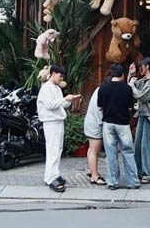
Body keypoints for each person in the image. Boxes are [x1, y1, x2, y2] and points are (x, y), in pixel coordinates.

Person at [37, 64, 81, 192]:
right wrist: (64, 100)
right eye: (60, 76)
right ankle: (52, 178)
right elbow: (50, 104)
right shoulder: (46, 88)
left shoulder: (56, 88)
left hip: (57, 120)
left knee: (57, 149)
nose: (61, 79)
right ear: (54, 73)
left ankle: (51, 175)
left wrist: (69, 100)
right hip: (51, 122)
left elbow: (60, 104)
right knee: (53, 149)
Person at [98, 63, 139, 190]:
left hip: (108, 123)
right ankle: (133, 181)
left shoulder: (103, 88)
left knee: (111, 153)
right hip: (123, 124)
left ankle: (112, 182)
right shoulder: (127, 89)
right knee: (128, 152)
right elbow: (130, 107)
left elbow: (100, 106)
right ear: (122, 75)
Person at [129, 57, 150, 184]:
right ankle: (140, 172)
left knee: (146, 146)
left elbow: (141, 96)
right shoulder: (144, 80)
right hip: (142, 115)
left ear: (147, 66)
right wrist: (131, 75)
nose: (139, 69)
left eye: (141, 66)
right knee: (138, 145)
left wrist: (132, 85)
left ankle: (147, 174)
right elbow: (132, 86)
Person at [83, 78, 107, 186]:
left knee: (91, 149)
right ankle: (94, 176)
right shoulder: (102, 92)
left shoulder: (98, 89)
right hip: (95, 125)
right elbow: (100, 110)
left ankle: (92, 170)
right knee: (94, 150)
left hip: (90, 123)